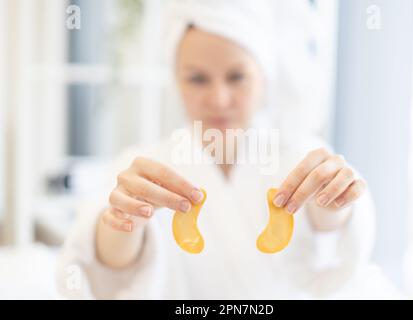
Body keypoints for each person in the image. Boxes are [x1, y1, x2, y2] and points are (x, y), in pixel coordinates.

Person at [57, 0, 376, 299]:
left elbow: (335, 239)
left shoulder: (303, 156)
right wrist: (122, 221)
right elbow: (105, 269)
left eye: (237, 77)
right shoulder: (143, 168)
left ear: (264, 77)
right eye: (197, 79)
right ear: (176, 80)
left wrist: (335, 202)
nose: (219, 99)